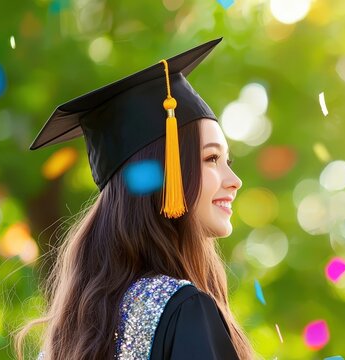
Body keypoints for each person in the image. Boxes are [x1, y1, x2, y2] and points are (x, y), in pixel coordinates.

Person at [13, 38, 255, 359]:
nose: (234, 181)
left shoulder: (72, 335)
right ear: (166, 174)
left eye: (228, 162)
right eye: (211, 159)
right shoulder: (185, 310)